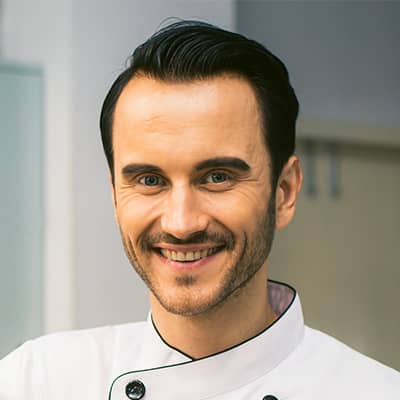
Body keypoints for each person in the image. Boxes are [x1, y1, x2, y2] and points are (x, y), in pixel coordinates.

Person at [0, 20, 399, 400]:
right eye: (150, 180)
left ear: (284, 192)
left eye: (217, 177)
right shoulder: (35, 382)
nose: (181, 223)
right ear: (115, 195)